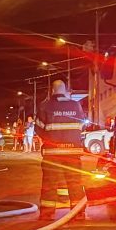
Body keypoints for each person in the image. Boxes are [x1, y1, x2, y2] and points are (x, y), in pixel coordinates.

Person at [36, 79, 87, 221]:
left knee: (49, 185)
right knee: (75, 183)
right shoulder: (76, 105)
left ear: (52, 91)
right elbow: (82, 126)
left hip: (52, 154)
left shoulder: (45, 106)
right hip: (73, 153)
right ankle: (78, 213)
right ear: (65, 91)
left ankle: (47, 214)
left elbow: (39, 128)